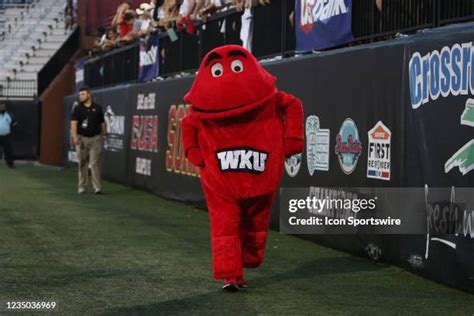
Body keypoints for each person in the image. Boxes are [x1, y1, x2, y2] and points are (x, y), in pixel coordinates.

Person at [182, 45, 304, 292]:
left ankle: (248, 258)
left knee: (256, 223)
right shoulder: (201, 112)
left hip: (260, 177)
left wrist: (293, 140)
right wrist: (192, 151)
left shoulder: (270, 98)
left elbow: (292, 105)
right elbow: (188, 124)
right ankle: (231, 274)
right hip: (221, 181)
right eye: (218, 70)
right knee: (224, 225)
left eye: (236, 67)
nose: (227, 75)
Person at [70, 86, 108, 194]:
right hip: (81, 138)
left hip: (95, 138)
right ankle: (82, 186)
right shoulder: (77, 108)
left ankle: (97, 187)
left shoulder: (98, 108)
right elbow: (73, 123)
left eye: (83, 94)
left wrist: (105, 133)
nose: (81, 96)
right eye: (80, 94)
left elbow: (102, 122)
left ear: (89, 94)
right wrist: (75, 137)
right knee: (82, 163)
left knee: (95, 163)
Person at [0, 103, 17, 169]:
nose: (1, 108)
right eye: (0, 106)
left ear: (5, 107)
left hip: (6, 136)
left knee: (8, 151)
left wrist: (10, 130)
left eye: (2, 106)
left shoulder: (9, 115)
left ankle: (10, 165)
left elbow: (15, 123)